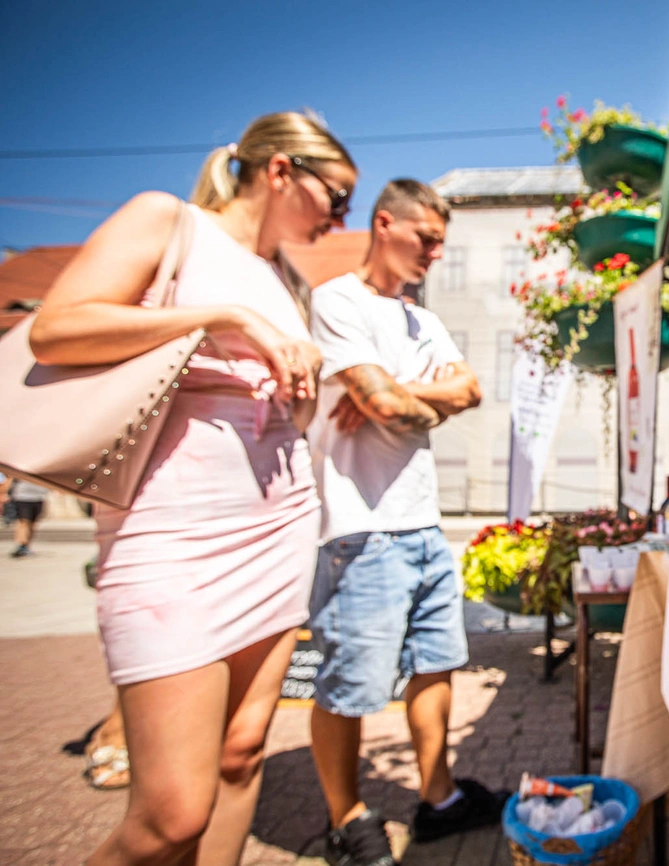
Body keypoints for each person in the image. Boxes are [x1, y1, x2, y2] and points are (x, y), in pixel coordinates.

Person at [29, 111, 356, 865]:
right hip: (169, 530)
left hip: (276, 531)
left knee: (241, 754)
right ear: (280, 172)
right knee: (170, 817)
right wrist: (224, 315)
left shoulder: (290, 280)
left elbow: (287, 415)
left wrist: (299, 388)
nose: (339, 217)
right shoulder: (167, 222)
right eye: (335, 197)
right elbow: (56, 329)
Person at [307, 179, 494, 865]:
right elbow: (386, 410)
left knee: (436, 664)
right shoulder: (335, 302)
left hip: (422, 522)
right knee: (349, 685)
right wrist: (401, 398)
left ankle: (438, 798)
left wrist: (399, 389)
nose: (436, 253)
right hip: (359, 527)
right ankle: (345, 817)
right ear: (384, 224)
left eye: (442, 242)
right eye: (426, 238)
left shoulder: (423, 318)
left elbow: (468, 390)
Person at [6, 476, 49, 557]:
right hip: (23, 497)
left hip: (39, 497)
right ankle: (21, 545)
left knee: (33, 523)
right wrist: (4, 493)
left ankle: (27, 545)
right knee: (24, 522)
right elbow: (11, 477)